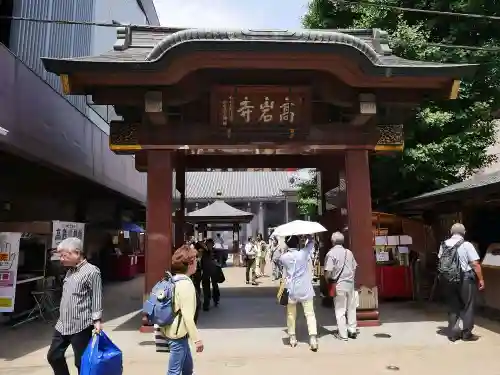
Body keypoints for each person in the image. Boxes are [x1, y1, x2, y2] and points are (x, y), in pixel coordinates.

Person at [47, 237, 103, 375]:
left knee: (81, 362)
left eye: (64, 256)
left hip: (81, 324)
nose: (61, 259)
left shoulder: (92, 271)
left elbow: (96, 296)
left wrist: (97, 320)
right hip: (63, 324)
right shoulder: (70, 270)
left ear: (77, 253)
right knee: (54, 356)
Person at [162, 245, 204, 375]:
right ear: (190, 263)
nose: (197, 262)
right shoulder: (186, 284)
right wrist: (197, 339)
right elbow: (187, 317)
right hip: (178, 335)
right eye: (195, 259)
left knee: (187, 370)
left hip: (175, 332)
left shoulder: (173, 279)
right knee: (174, 372)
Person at [439, 223, 484, 342]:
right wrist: (481, 279)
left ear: (451, 232)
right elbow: (475, 264)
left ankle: (453, 333)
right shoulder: (467, 244)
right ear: (463, 232)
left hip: (449, 279)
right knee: (468, 306)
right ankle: (466, 334)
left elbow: (441, 260)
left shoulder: (443, 245)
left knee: (453, 306)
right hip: (465, 279)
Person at [279, 235, 318, 351]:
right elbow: (311, 243)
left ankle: (292, 337)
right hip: (305, 287)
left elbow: (285, 270)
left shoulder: (283, 257)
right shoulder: (303, 253)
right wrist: (308, 237)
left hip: (292, 289)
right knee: (310, 313)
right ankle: (313, 339)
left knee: (291, 314)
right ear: (297, 243)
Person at [324, 231, 358, 341]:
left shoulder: (331, 254)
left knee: (340, 309)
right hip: (350, 283)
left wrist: (327, 281)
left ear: (332, 241)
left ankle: (343, 334)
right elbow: (354, 267)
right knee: (351, 307)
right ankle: (352, 330)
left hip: (338, 285)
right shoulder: (349, 252)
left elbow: (328, 271)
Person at [201, 238, 220, 311]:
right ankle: (206, 304)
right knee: (206, 289)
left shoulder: (215, 252)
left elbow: (219, 261)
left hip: (213, 271)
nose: (209, 245)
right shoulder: (204, 252)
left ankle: (216, 300)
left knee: (215, 286)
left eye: (210, 244)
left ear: (213, 244)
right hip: (205, 272)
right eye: (208, 244)